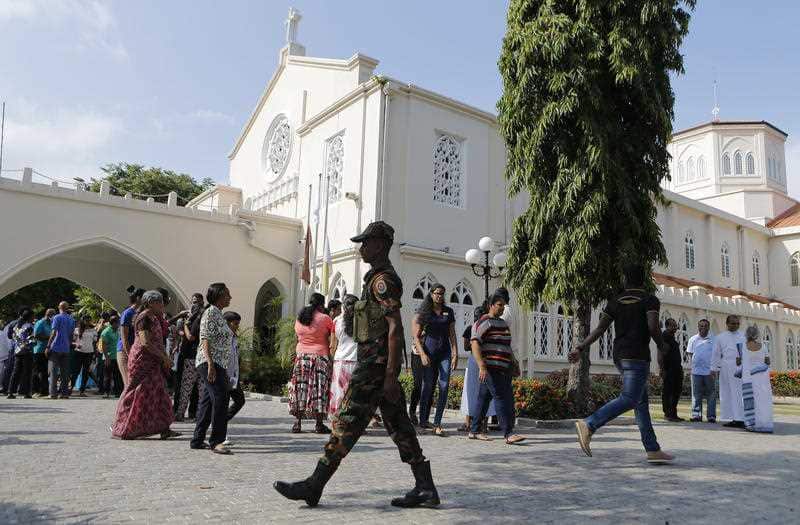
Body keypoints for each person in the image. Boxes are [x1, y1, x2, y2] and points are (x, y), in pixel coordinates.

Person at [274, 221, 440, 508]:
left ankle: (315, 484)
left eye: (366, 242)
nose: (362, 247)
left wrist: (389, 375)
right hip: (375, 366)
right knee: (400, 426)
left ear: (380, 244)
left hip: (374, 369)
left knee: (346, 421)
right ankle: (425, 487)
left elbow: (395, 328)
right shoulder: (374, 279)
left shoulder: (382, 281)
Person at [571, 264, 674, 464]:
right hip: (637, 355)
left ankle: (652, 449)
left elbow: (600, 330)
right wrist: (662, 345)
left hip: (620, 355)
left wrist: (581, 347)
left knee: (641, 403)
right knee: (629, 398)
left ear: (625, 281)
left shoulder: (615, 302)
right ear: (643, 280)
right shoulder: (649, 300)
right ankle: (589, 424)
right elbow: (653, 326)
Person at [111, 291, 180, 440]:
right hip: (142, 361)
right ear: (150, 303)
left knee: (159, 393)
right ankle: (125, 427)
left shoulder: (154, 317)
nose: (162, 305)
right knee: (136, 393)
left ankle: (164, 428)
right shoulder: (144, 318)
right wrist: (164, 358)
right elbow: (146, 343)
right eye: (160, 302)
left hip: (154, 361)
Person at [468, 292, 525, 444]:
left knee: (484, 397)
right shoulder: (484, 322)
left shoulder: (503, 323)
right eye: (499, 305)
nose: (502, 308)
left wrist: (514, 363)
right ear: (491, 305)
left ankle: (474, 430)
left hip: (504, 367)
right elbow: (474, 343)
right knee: (502, 397)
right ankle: (508, 433)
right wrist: (481, 366)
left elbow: (507, 346)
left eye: (504, 305)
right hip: (491, 368)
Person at [191, 283, 234, 455]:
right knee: (221, 398)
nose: (230, 297)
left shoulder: (217, 313)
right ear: (219, 296)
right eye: (227, 294)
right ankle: (216, 441)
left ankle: (197, 439)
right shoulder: (210, 313)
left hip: (217, 363)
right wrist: (210, 364)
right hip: (211, 362)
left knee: (208, 401)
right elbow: (205, 339)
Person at [414, 283, 458, 436]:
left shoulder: (448, 312)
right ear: (431, 294)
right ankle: (423, 420)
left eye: (442, 293)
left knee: (444, 386)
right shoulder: (425, 312)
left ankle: (437, 422)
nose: (439, 296)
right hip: (429, 353)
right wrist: (422, 354)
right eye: (437, 293)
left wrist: (455, 354)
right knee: (427, 387)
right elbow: (416, 336)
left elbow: (452, 334)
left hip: (444, 353)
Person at [288, 293, 335, 434]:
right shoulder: (325, 318)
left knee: (300, 389)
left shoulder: (300, 318)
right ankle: (319, 424)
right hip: (320, 357)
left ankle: (298, 423)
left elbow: (299, 337)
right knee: (319, 390)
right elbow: (332, 338)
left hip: (301, 357)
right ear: (321, 305)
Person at [459, 305, 495, 432]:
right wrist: (475, 342)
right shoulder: (470, 329)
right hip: (474, 361)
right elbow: (466, 347)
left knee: (486, 391)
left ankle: (484, 424)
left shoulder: (488, 328)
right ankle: (468, 422)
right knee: (470, 392)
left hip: (486, 360)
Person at [174, 293, 205, 421]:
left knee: (189, 388)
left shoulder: (198, 317)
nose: (195, 304)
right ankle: (196, 414)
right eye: (193, 302)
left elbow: (190, 337)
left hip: (194, 357)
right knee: (196, 388)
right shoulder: (192, 316)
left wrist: (185, 325)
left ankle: (187, 413)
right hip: (195, 356)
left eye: (197, 302)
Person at [711, 315, 746, 428]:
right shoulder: (720, 337)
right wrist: (713, 369)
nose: (735, 325)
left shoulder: (743, 336)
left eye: (737, 323)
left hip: (740, 367)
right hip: (726, 367)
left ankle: (740, 418)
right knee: (727, 393)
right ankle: (733, 418)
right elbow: (716, 354)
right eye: (732, 323)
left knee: (739, 393)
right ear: (727, 323)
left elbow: (749, 351)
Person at [328, 294, 359, 416]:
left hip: (340, 362)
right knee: (354, 394)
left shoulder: (336, 321)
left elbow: (332, 345)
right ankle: (354, 421)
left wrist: (332, 361)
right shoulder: (361, 321)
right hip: (356, 361)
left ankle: (339, 418)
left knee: (339, 392)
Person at [740, 325, 773, 433]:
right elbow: (767, 362)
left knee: (749, 401)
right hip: (761, 378)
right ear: (756, 335)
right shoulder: (763, 346)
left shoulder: (742, 347)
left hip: (748, 378)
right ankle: (764, 423)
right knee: (762, 401)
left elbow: (738, 362)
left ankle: (750, 424)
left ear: (746, 335)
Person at [686, 319, 716, 423]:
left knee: (711, 394)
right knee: (696, 394)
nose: (703, 328)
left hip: (709, 372)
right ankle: (696, 415)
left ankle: (711, 416)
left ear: (708, 327)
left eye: (705, 326)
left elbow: (717, 356)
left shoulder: (714, 339)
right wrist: (691, 368)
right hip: (696, 372)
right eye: (701, 326)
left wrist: (715, 369)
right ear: (698, 327)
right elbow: (690, 355)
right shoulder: (692, 339)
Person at [46, 301, 76, 399]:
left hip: (55, 347)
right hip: (66, 348)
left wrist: (48, 346)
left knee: (53, 372)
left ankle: (53, 393)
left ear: (59, 307)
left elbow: (54, 332)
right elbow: (71, 335)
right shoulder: (71, 319)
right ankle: (64, 393)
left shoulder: (56, 317)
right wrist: (68, 343)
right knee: (65, 373)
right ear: (67, 308)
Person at [118, 288, 145, 386]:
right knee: (129, 384)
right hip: (125, 351)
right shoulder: (128, 313)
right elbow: (124, 337)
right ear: (138, 298)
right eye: (144, 297)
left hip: (135, 351)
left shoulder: (141, 313)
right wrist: (129, 354)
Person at [8, 308, 36, 399]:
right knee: (27, 372)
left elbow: (13, 337)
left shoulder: (16, 326)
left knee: (15, 372)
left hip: (17, 352)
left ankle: (10, 392)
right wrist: (29, 345)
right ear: (30, 317)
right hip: (27, 352)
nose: (34, 318)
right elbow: (32, 340)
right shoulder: (29, 326)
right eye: (33, 316)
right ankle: (26, 393)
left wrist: (20, 345)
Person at [660, 318, 684, 422]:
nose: (675, 328)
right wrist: (662, 368)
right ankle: (668, 414)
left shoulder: (672, 337)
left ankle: (673, 413)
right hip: (668, 369)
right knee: (668, 392)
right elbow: (660, 353)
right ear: (667, 326)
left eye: (676, 326)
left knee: (676, 391)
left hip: (676, 368)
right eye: (673, 326)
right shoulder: (664, 336)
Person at [225, 311, 245, 423]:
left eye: (238, 324)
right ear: (227, 323)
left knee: (240, 400)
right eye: (235, 324)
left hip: (233, 376)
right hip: (224, 375)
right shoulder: (223, 337)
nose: (237, 326)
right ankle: (220, 428)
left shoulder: (234, 337)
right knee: (223, 403)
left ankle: (222, 421)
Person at [32, 309, 55, 397]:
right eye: (52, 315)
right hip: (39, 350)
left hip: (47, 350)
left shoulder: (50, 323)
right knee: (38, 371)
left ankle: (44, 391)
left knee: (44, 371)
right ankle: (35, 390)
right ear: (48, 314)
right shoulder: (40, 323)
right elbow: (36, 335)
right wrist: (49, 338)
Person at [72, 316, 97, 397]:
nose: (88, 322)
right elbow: (72, 341)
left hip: (89, 353)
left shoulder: (93, 330)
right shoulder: (77, 330)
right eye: (86, 320)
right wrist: (76, 344)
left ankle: (82, 390)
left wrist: (94, 353)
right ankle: (70, 388)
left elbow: (94, 342)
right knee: (76, 371)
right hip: (78, 352)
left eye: (89, 320)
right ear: (82, 321)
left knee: (86, 372)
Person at [100, 315, 122, 398]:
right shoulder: (106, 332)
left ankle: (117, 392)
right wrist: (107, 358)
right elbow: (103, 346)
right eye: (117, 323)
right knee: (107, 376)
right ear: (113, 323)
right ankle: (106, 392)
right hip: (109, 357)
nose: (119, 325)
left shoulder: (117, 331)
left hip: (117, 356)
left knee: (117, 376)